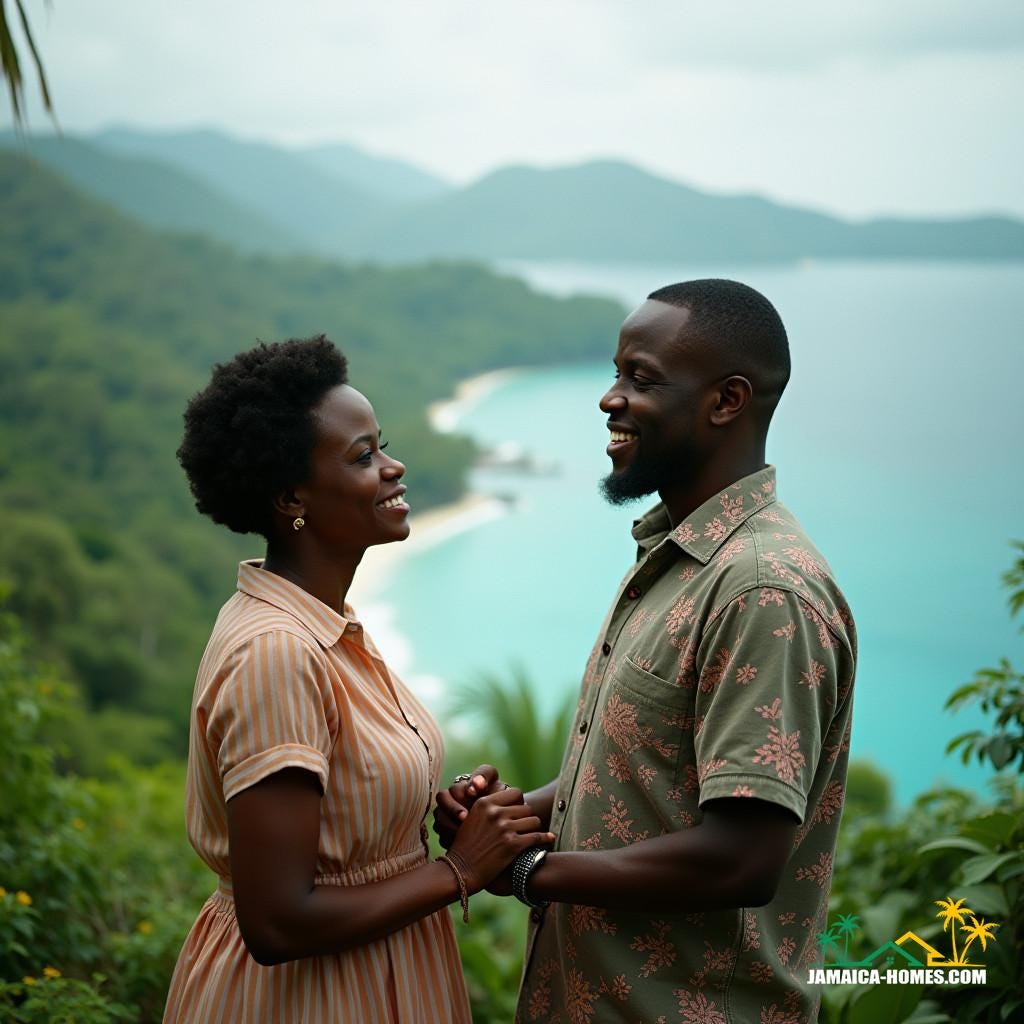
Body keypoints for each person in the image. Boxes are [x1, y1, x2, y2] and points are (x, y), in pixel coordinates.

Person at [436, 280, 857, 1023]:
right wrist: (506, 822)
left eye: (641, 378)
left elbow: (741, 857)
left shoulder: (763, 588)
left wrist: (532, 872)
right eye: (615, 371)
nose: (609, 398)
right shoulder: (678, 558)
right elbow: (643, 777)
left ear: (726, 401)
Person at [164, 335, 553, 1024]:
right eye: (363, 456)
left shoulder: (330, 625)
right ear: (292, 497)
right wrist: (459, 872)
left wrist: (429, 810)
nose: (395, 468)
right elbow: (278, 922)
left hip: (374, 974)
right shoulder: (278, 652)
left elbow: (340, 806)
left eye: (382, 445)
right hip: (314, 999)